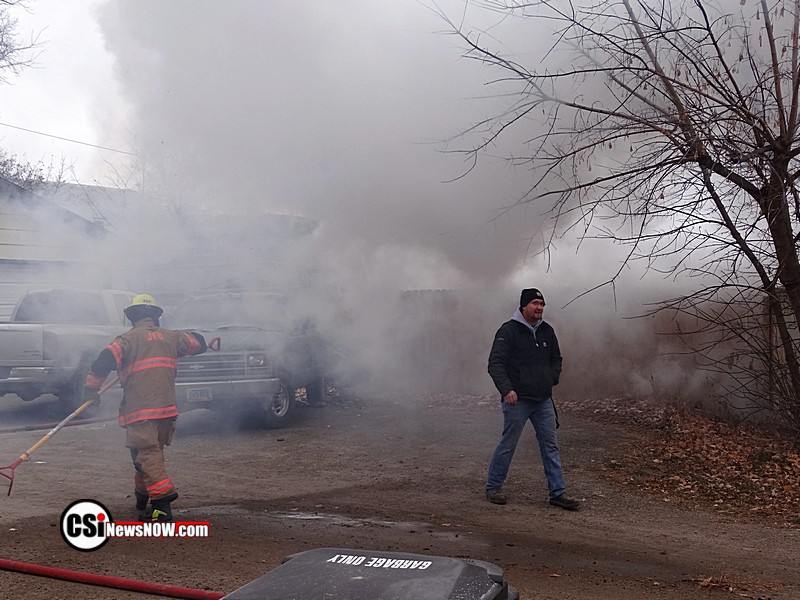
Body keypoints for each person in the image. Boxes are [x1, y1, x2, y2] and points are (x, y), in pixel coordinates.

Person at [83, 293, 207, 522]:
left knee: (146, 454)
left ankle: (161, 505)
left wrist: (91, 389)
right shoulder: (172, 337)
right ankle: (142, 498)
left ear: (132, 317)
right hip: (167, 411)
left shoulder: (127, 340)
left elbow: (103, 361)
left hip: (141, 411)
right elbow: (199, 343)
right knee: (148, 456)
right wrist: (193, 337)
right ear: (156, 317)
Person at [484, 287, 580, 511]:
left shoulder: (547, 331)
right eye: (535, 304)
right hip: (517, 400)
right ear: (524, 306)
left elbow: (556, 358)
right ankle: (493, 486)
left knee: (550, 446)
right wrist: (507, 390)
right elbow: (495, 364)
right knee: (508, 444)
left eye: (542, 304)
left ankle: (557, 493)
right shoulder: (508, 331)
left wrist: (552, 378)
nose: (539, 308)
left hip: (543, 399)